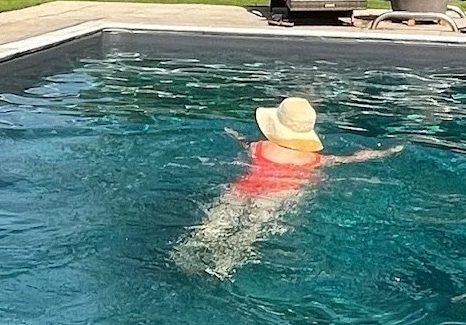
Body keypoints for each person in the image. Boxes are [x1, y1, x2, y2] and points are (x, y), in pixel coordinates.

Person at [171, 96, 401, 279]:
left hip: (244, 188)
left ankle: (186, 252)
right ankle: (222, 267)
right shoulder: (314, 159)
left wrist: (235, 136)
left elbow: (245, 145)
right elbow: (351, 159)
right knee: (251, 231)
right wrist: (384, 152)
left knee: (215, 223)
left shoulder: (259, 147)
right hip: (278, 196)